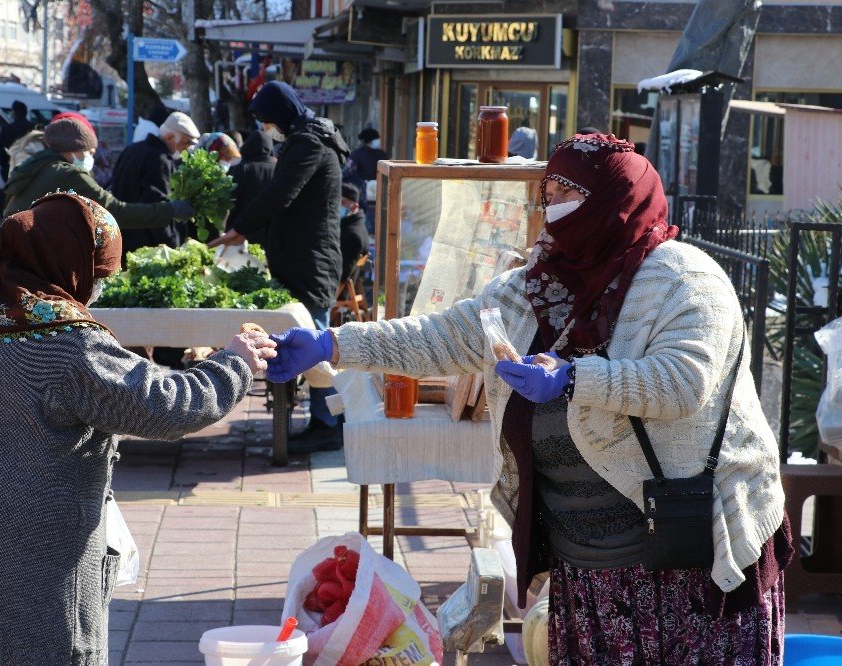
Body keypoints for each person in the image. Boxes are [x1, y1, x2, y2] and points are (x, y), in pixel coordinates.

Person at [266, 133, 791, 664]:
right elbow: (441, 337)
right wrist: (334, 343)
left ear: (617, 197)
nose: (554, 204)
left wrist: (573, 379)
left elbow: (683, 383)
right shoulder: (532, 285)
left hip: (687, 548)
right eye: (550, 189)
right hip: (584, 557)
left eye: (572, 190)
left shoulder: (686, 278)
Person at [0, 191, 275, 665]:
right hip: (22, 564)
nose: (96, 290)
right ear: (71, 265)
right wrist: (234, 363)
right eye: (100, 275)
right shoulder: (68, 346)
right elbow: (168, 406)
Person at [210, 81, 350, 452]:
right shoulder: (311, 138)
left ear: (282, 115)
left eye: (268, 121)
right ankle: (325, 419)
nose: (266, 129)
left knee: (319, 339)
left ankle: (329, 423)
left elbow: (281, 192)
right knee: (311, 334)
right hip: (305, 255)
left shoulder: (309, 143)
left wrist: (240, 228)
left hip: (311, 259)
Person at [3, 113, 193, 231]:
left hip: (9, 257)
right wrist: (172, 210)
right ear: (74, 148)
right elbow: (117, 212)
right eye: (90, 152)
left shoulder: (37, 165)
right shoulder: (69, 174)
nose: (91, 159)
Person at [111, 111, 201, 256]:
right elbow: (158, 209)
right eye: (186, 143)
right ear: (170, 137)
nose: (186, 148)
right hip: (146, 247)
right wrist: (172, 246)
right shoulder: (160, 160)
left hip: (121, 238)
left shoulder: (132, 149)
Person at [225, 130, 276, 247]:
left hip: (242, 235)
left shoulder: (240, 169)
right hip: (273, 235)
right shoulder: (280, 169)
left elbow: (229, 202)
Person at [0, 100, 35, 183]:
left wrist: (4, 168)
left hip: (12, 168)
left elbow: (2, 151)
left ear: (14, 112)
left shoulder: (7, 129)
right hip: (31, 169)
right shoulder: (34, 128)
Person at [339, 181, 369, 284]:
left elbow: (341, 274)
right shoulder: (354, 225)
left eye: (343, 202)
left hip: (337, 291)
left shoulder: (352, 235)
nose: (337, 206)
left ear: (354, 207)